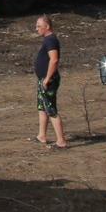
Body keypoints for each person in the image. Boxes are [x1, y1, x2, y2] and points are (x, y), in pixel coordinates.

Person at [32, 14, 67, 149]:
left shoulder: (51, 40)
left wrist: (47, 79)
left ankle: (61, 141)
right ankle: (42, 135)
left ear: (47, 27)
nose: (37, 29)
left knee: (51, 109)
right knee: (42, 108)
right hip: (43, 79)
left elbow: (54, 60)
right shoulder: (47, 40)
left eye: (39, 26)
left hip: (48, 80)